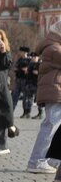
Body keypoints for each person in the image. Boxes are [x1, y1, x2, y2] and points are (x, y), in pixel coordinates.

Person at [26, 20, 61, 173]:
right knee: (51, 125)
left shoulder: (52, 46)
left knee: (54, 125)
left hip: (55, 89)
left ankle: (51, 159)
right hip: (55, 90)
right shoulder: (54, 48)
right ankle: (37, 161)